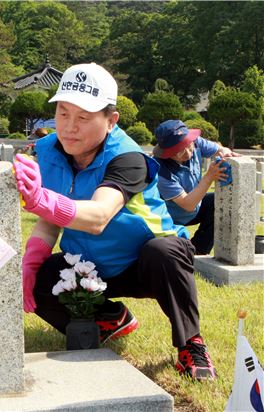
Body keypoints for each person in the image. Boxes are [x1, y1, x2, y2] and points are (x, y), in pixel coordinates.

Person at [14, 63, 217, 381]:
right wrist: (31, 261)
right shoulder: (50, 151)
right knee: (39, 277)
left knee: (164, 251)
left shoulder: (128, 157)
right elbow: (49, 222)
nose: (69, 127)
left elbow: (98, 216)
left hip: (146, 263)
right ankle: (110, 318)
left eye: (83, 118)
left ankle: (191, 343)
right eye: (63, 113)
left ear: (111, 121)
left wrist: (39, 199)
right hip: (93, 264)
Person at [153, 120, 239, 255]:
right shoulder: (160, 170)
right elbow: (187, 204)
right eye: (179, 151)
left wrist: (225, 154)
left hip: (195, 207)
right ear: (167, 152)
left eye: (188, 145)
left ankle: (198, 251)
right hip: (169, 217)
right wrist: (209, 177)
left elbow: (220, 149)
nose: (187, 153)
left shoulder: (195, 142)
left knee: (218, 202)